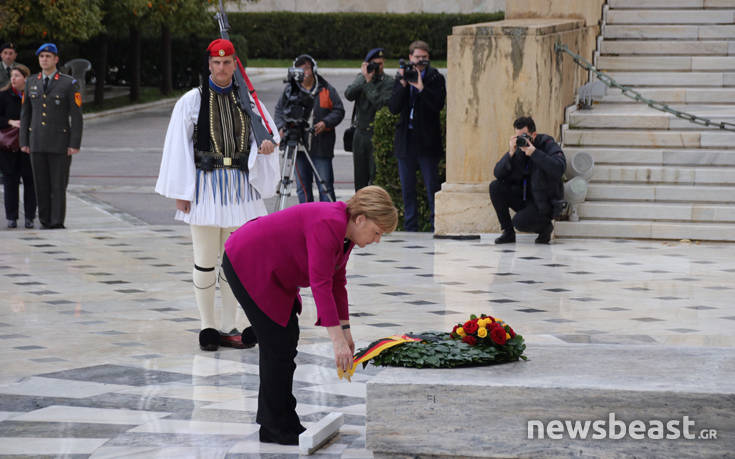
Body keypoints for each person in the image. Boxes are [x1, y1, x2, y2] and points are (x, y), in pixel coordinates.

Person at [222, 185, 398, 445]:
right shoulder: (328, 223)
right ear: (361, 219)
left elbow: (338, 281)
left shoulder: (345, 232)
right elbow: (320, 284)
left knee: (283, 341)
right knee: (278, 344)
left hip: (275, 271)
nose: (377, 240)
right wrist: (336, 340)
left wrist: (346, 332)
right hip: (249, 262)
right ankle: (274, 427)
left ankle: (283, 420)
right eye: (377, 232)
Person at [155, 38, 280, 352]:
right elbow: (177, 146)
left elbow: (270, 133)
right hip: (205, 188)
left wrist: (266, 146)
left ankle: (230, 324)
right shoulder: (192, 101)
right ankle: (207, 326)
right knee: (205, 261)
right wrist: (180, 192)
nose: (222, 68)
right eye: (216, 63)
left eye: (227, 62)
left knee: (236, 263)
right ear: (209, 65)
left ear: (234, 63)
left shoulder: (249, 102)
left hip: (241, 189)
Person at [19, 43, 83, 230]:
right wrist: (24, 140)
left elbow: (76, 116)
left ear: (56, 59)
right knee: (41, 184)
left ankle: (56, 221)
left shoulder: (68, 83)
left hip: (59, 142)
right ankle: (45, 220)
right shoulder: (31, 82)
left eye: (48, 56)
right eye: (41, 57)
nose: (44, 60)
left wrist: (74, 143)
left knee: (58, 184)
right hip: (37, 141)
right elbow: (25, 114)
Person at [388, 40, 445, 231]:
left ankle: (435, 224)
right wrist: (404, 84)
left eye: (424, 58)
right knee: (408, 188)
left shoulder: (435, 78)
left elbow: (437, 105)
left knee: (431, 186)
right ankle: (410, 225)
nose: (420, 61)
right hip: (406, 140)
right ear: (410, 57)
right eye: (417, 57)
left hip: (428, 142)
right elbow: (394, 107)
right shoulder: (403, 77)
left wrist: (421, 89)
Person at [274, 55, 344, 203]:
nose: (303, 72)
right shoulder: (290, 91)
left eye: (306, 68)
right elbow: (279, 111)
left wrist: (326, 123)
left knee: (325, 186)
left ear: (313, 69)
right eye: (299, 69)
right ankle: (307, 220)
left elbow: (339, 110)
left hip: (321, 148)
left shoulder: (326, 89)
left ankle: (327, 219)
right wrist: (281, 127)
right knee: (303, 189)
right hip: (298, 148)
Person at [489, 116, 566, 245]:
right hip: (524, 198)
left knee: (519, 222)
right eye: (518, 137)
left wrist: (535, 153)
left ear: (533, 135)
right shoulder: (518, 150)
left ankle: (545, 228)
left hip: (543, 204)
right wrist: (510, 153)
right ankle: (508, 233)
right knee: (495, 187)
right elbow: (498, 173)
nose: (521, 140)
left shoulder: (547, 143)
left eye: (524, 136)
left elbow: (559, 168)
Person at [344, 47, 393, 191]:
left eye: (380, 64)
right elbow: (348, 94)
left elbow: (380, 103)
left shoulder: (388, 82)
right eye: (374, 64)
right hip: (360, 134)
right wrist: (364, 78)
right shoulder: (361, 78)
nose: (378, 67)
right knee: (360, 177)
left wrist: (368, 83)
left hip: (376, 134)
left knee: (375, 178)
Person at [0, 64, 36, 229]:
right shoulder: (3, 96)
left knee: (30, 182)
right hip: (9, 147)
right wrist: (9, 122)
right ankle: (11, 217)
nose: (13, 79)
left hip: (28, 146)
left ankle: (29, 217)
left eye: (17, 76)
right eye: (12, 76)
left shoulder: (32, 96)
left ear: (25, 79)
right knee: (10, 182)